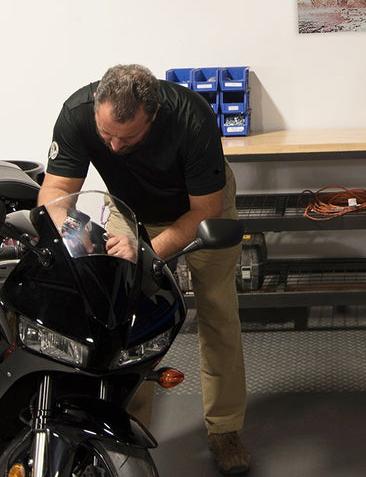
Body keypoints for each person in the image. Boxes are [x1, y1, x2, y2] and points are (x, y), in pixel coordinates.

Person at [38, 64, 250, 476]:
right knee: (127, 322)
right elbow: (56, 190)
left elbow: (203, 211)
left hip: (198, 208)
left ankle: (224, 429)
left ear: (151, 117)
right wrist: (71, 231)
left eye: (128, 137)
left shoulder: (192, 118)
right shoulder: (79, 111)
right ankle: (127, 428)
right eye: (106, 137)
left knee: (218, 312)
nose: (114, 148)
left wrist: (147, 251)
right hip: (130, 210)